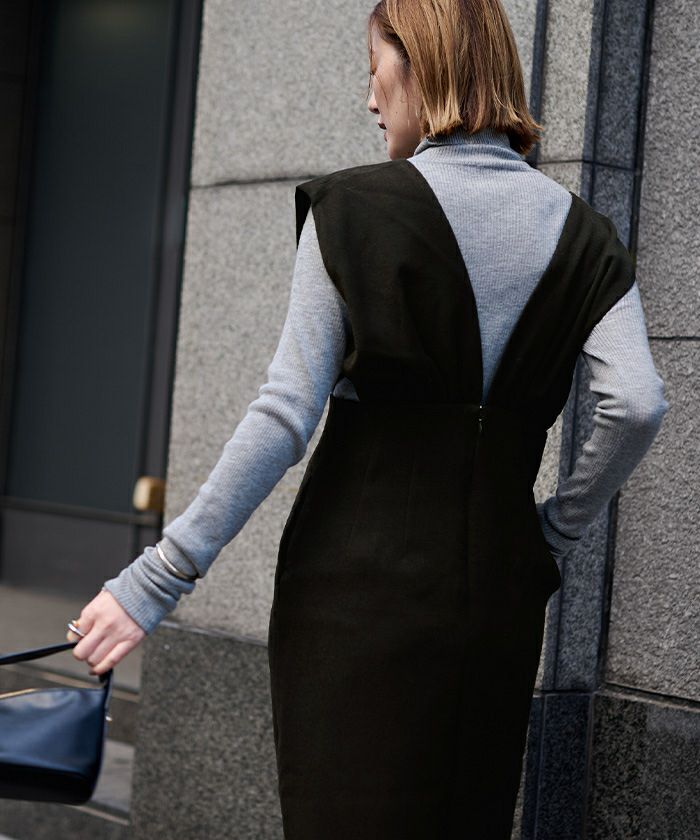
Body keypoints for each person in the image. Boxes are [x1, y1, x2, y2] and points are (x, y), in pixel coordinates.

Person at [67, 0, 669, 836]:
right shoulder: (588, 237)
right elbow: (636, 404)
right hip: (498, 601)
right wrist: (554, 532)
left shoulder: (353, 211)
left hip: (354, 596)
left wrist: (156, 579)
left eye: (375, 67)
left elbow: (285, 413)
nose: (370, 96)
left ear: (421, 63)